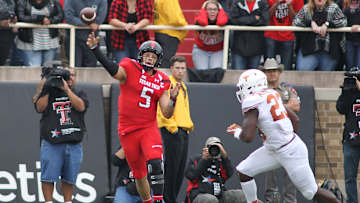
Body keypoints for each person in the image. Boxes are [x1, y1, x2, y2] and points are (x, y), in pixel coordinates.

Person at [86, 33, 181, 203]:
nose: (150, 59)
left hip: (147, 127)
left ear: (158, 60)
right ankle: (148, 201)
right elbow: (115, 72)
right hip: (127, 130)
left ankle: (158, 199)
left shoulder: (162, 80)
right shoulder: (129, 67)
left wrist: (173, 99)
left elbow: (166, 112)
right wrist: (96, 50)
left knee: (155, 162)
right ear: (141, 55)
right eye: (147, 55)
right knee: (139, 174)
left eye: (153, 56)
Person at [226, 69, 341, 203]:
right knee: (244, 171)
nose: (241, 91)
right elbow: (295, 119)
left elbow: (247, 137)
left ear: (253, 86)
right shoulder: (272, 94)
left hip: (289, 150)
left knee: (311, 192)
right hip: (275, 148)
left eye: (243, 87)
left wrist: (237, 132)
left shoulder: (253, 101)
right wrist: (284, 138)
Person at [33, 66, 89, 203]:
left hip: (73, 142)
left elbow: (81, 107)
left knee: (69, 178)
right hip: (52, 142)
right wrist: (47, 85)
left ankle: (68, 201)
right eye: (66, 75)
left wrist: (66, 90)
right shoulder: (49, 93)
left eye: (72, 75)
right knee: (48, 177)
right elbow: (39, 107)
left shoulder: (79, 93)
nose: (69, 78)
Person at [259, 58, 300, 203]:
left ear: (279, 72)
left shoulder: (287, 88)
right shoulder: (261, 91)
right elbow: (262, 111)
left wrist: (276, 108)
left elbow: (296, 106)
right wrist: (285, 106)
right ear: (264, 73)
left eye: (274, 71)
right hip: (269, 137)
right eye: (269, 71)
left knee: (291, 172)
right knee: (270, 173)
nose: (272, 74)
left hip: (288, 136)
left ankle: (290, 201)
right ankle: (271, 200)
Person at [156, 55, 194, 203]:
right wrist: (173, 129)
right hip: (173, 130)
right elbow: (162, 110)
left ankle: (172, 199)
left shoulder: (182, 86)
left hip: (183, 130)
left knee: (179, 170)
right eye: (177, 68)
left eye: (183, 68)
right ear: (171, 68)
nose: (180, 71)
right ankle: (167, 199)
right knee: (171, 168)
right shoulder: (168, 84)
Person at [185, 136, 247, 203]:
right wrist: (204, 160)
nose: (214, 150)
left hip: (219, 195)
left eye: (217, 148)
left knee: (241, 195)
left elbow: (229, 174)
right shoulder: (196, 159)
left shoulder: (221, 161)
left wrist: (225, 157)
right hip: (199, 195)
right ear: (205, 148)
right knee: (210, 200)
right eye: (211, 147)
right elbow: (191, 176)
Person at [293, 0, 347, 71]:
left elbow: (344, 21)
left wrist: (328, 24)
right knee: (302, 72)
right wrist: (310, 23)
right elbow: (295, 22)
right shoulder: (306, 8)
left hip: (329, 51)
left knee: (325, 78)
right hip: (309, 50)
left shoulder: (334, 8)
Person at [15, 0, 63, 67]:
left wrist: (50, 21)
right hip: (29, 43)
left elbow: (60, 16)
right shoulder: (22, 2)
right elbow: (20, 17)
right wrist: (38, 19)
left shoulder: (54, 2)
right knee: (34, 69)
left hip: (50, 43)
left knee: (47, 70)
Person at [336, 73, 360, 203]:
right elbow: (340, 108)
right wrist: (345, 91)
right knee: (350, 177)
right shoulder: (348, 93)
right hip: (351, 140)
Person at [64, 0, 107, 67]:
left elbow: (101, 16)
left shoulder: (101, 1)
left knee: (91, 68)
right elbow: (69, 17)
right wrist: (89, 24)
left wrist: (95, 23)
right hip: (74, 39)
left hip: (92, 39)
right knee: (75, 67)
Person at [263, 0, 303, 70]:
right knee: (269, 67)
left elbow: (297, 20)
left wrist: (289, 6)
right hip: (271, 34)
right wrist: (276, 3)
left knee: (286, 67)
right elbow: (265, 17)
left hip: (288, 35)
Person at [229, 0, 269, 70]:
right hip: (239, 47)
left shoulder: (263, 3)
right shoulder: (237, 2)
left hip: (256, 48)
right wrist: (254, 18)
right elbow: (233, 20)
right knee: (238, 76)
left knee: (254, 76)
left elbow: (264, 21)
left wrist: (243, 21)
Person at [192, 0, 228, 70]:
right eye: (209, 9)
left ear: (219, 11)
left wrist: (221, 9)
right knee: (202, 73)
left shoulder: (223, 18)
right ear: (205, 11)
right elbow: (203, 22)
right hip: (201, 50)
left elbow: (221, 22)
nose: (212, 12)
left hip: (217, 51)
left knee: (215, 72)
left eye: (215, 9)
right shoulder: (198, 18)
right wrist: (203, 9)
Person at [153, 0, 188, 68]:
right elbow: (176, 20)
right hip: (169, 34)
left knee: (160, 62)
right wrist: (185, 27)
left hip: (160, 33)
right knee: (165, 64)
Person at [338, 0, 360, 70]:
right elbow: (340, 20)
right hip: (348, 39)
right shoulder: (342, 5)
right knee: (350, 66)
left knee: (358, 66)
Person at [0, 0, 16, 65]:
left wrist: (15, 19)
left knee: (3, 62)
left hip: (7, 34)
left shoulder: (12, 1)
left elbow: (19, 14)